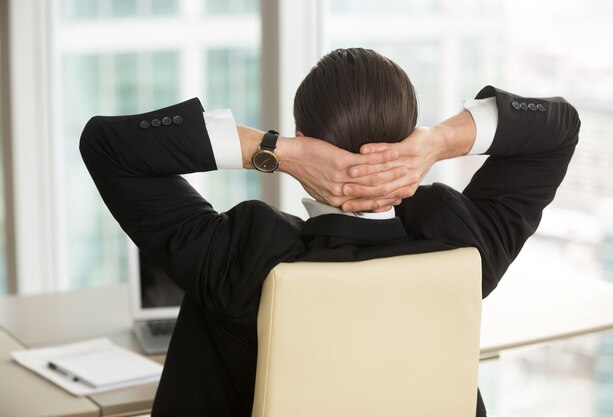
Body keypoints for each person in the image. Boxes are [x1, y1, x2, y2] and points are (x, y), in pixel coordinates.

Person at [80, 48, 580, 417]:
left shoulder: (244, 259)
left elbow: (108, 146)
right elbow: (558, 127)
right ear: (408, 134)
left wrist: (279, 151)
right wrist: (439, 142)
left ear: (303, 133)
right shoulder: (468, 246)